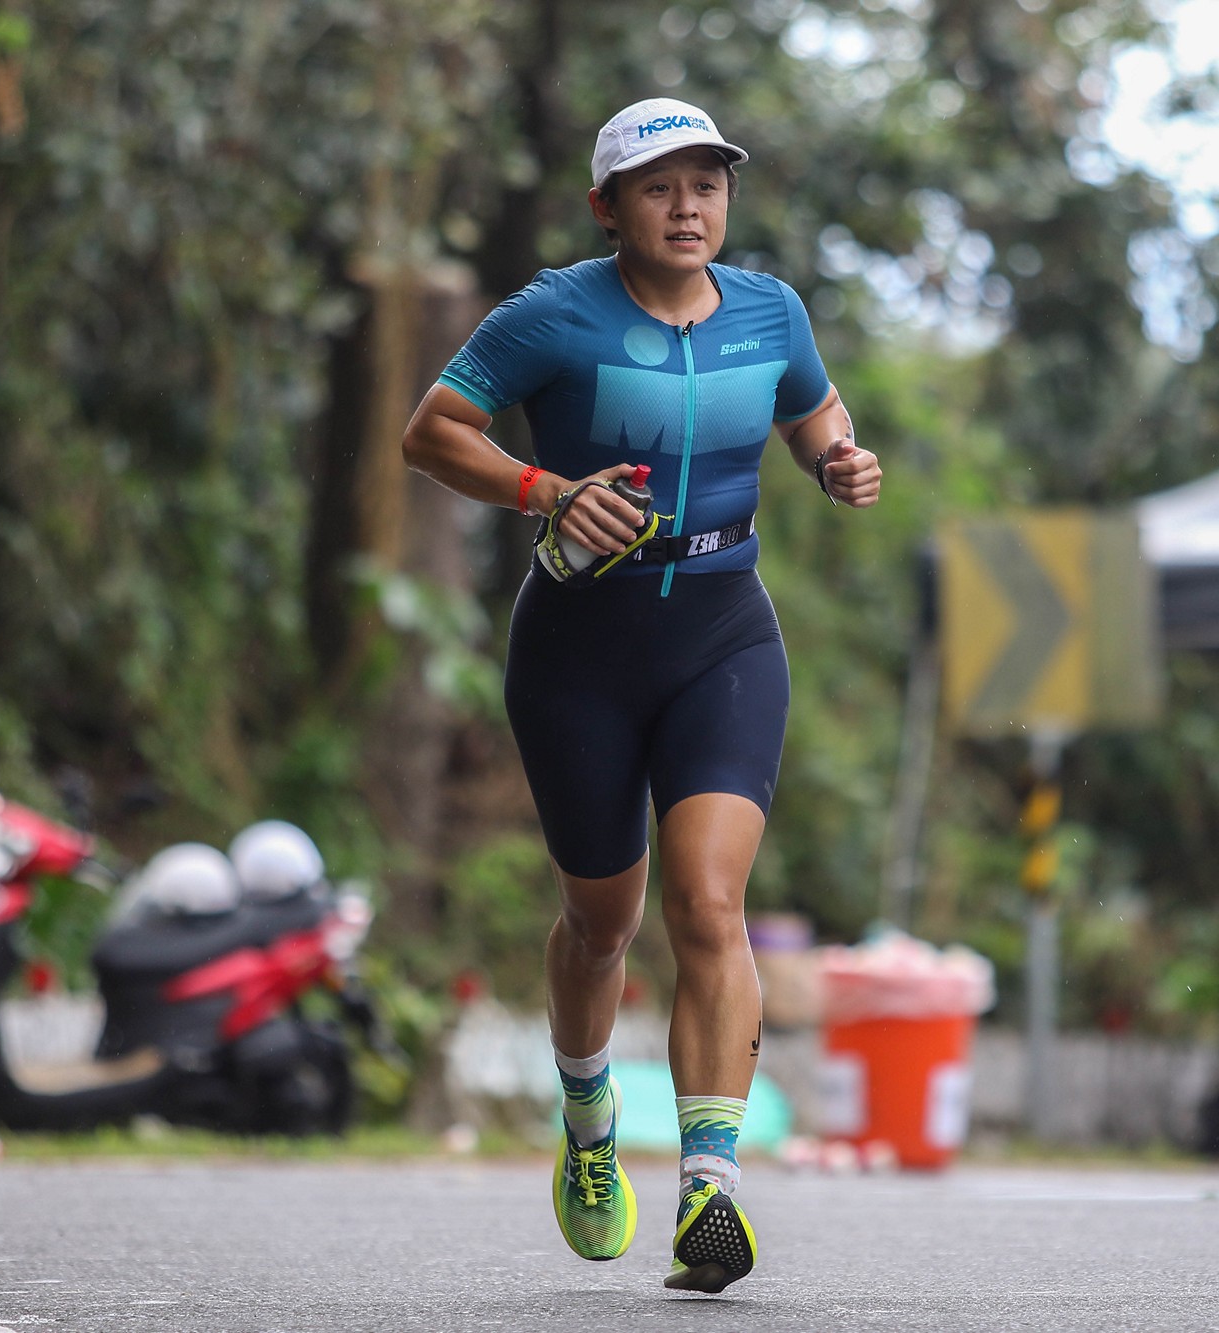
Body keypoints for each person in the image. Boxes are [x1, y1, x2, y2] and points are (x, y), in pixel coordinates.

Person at [400, 96, 881, 1293]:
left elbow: (811, 407)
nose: (688, 207)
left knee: (710, 907)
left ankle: (707, 1184)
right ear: (608, 206)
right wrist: (542, 491)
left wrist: (834, 457)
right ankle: (586, 1120)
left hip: (724, 634)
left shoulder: (769, 310)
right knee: (601, 923)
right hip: (578, 654)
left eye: (707, 184)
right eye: (660, 187)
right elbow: (432, 431)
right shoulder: (552, 316)